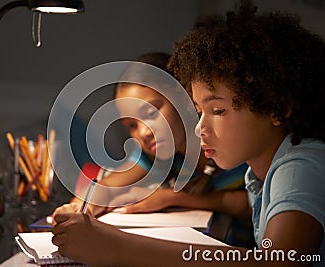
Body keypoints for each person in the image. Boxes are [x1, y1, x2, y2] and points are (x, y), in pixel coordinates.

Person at [51, 1, 325, 266]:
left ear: (277, 107)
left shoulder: (299, 166)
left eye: (218, 111)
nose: (199, 127)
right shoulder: (260, 173)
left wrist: (114, 246)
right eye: (199, 110)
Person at [58, 52, 253, 246]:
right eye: (131, 126)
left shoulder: (231, 142)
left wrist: (170, 197)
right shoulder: (155, 157)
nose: (143, 132)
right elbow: (108, 187)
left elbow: (250, 205)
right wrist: (77, 207)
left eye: (151, 113)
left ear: (183, 97)